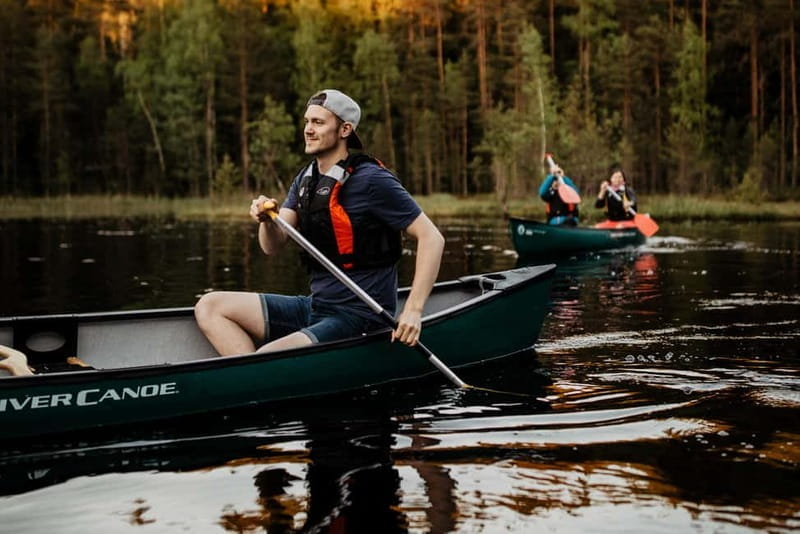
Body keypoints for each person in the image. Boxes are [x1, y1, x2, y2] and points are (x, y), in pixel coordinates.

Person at [194, 89, 445, 356]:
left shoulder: (372, 180)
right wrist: (267, 220)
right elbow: (272, 246)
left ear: (345, 129)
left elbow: (432, 237)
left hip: (359, 316)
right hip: (316, 307)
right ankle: (249, 377)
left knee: (268, 356)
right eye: (307, 121)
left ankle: (255, 375)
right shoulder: (306, 179)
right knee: (209, 306)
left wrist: (413, 311)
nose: (308, 129)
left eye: (318, 122)